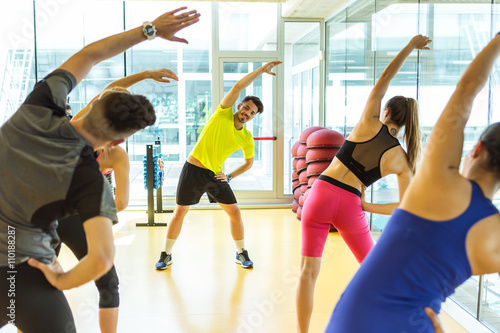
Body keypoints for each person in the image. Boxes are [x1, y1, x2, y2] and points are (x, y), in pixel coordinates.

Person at [0, 7, 200, 332]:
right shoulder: (87, 180)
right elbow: (102, 259)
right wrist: (61, 279)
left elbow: (91, 54)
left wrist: (149, 30)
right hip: (22, 273)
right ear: (120, 140)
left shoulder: (37, 108)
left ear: (93, 104)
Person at [324, 33, 500, 332]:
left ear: (476, 149)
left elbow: (467, 89)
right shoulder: (494, 233)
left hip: (357, 318)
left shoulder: (437, 179)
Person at [296, 34, 432, 333]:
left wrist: (409, 46)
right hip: (351, 206)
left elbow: (385, 75)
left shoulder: (368, 121)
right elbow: (402, 207)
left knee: (308, 274)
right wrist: (367, 205)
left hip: (319, 194)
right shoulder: (402, 159)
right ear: (407, 124)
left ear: (386, 112)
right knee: (375, 273)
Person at [54, 69, 178, 333]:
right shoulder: (81, 125)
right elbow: (112, 86)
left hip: (69, 214)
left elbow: (121, 202)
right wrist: (147, 74)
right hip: (50, 214)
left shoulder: (112, 151)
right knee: (32, 282)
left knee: (106, 282)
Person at [155, 60, 282, 270]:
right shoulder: (222, 113)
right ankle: (166, 254)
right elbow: (238, 87)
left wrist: (229, 176)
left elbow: (249, 163)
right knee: (180, 213)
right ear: (240, 105)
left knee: (235, 212)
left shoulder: (247, 138)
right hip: (193, 171)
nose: (247, 114)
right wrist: (260, 70)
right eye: (247, 108)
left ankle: (241, 253)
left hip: (215, 175)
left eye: (252, 113)